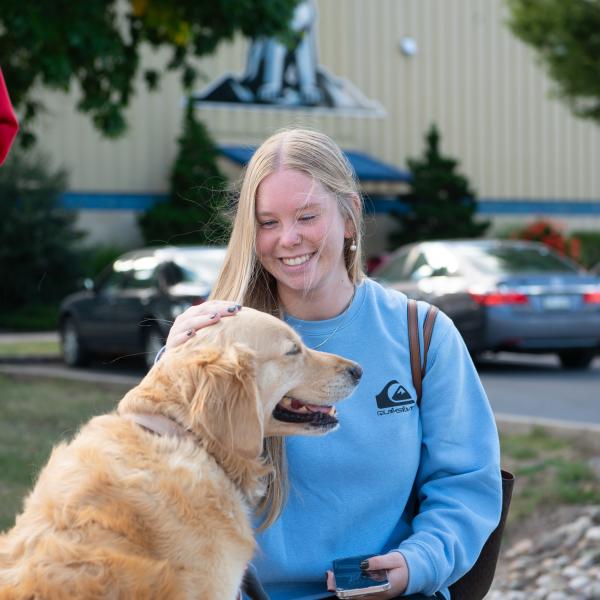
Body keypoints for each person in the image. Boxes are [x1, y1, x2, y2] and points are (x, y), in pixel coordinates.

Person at [163, 128, 502, 600]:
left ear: (349, 216)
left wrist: (416, 564)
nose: (287, 239)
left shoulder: (422, 335)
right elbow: (159, 482)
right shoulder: (221, 339)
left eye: (306, 216)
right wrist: (171, 371)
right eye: (267, 223)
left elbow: (465, 484)